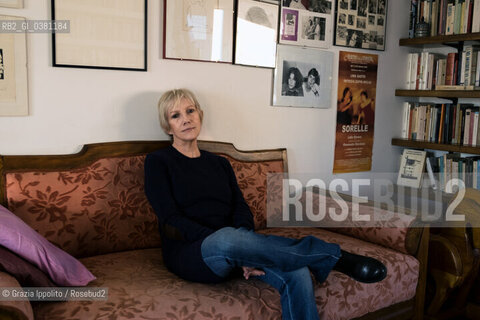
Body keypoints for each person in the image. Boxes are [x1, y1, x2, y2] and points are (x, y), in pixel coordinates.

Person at [144, 89, 387, 320]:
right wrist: (233, 246)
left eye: (190, 111)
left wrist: (244, 249)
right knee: (226, 239)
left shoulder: (219, 164)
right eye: (176, 115)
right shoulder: (158, 162)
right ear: (168, 126)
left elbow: (240, 208)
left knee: (296, 270)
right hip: (193, 253)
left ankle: (316, 256)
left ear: (200, 115)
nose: (186, 119)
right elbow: (171, 218)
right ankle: (334, 256)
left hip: (239, 245)